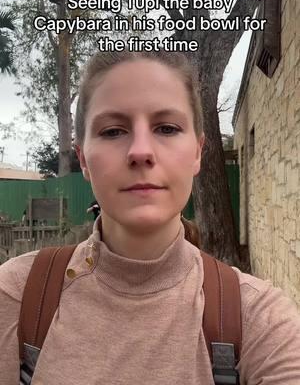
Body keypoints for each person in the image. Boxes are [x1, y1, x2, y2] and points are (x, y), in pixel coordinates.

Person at [0, 50, 300, 384]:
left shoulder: (259, 319)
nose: (141, 151)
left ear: (198, 152)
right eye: (113, 131)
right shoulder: (17, 295)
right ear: (83, 160)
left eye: (167, 128)